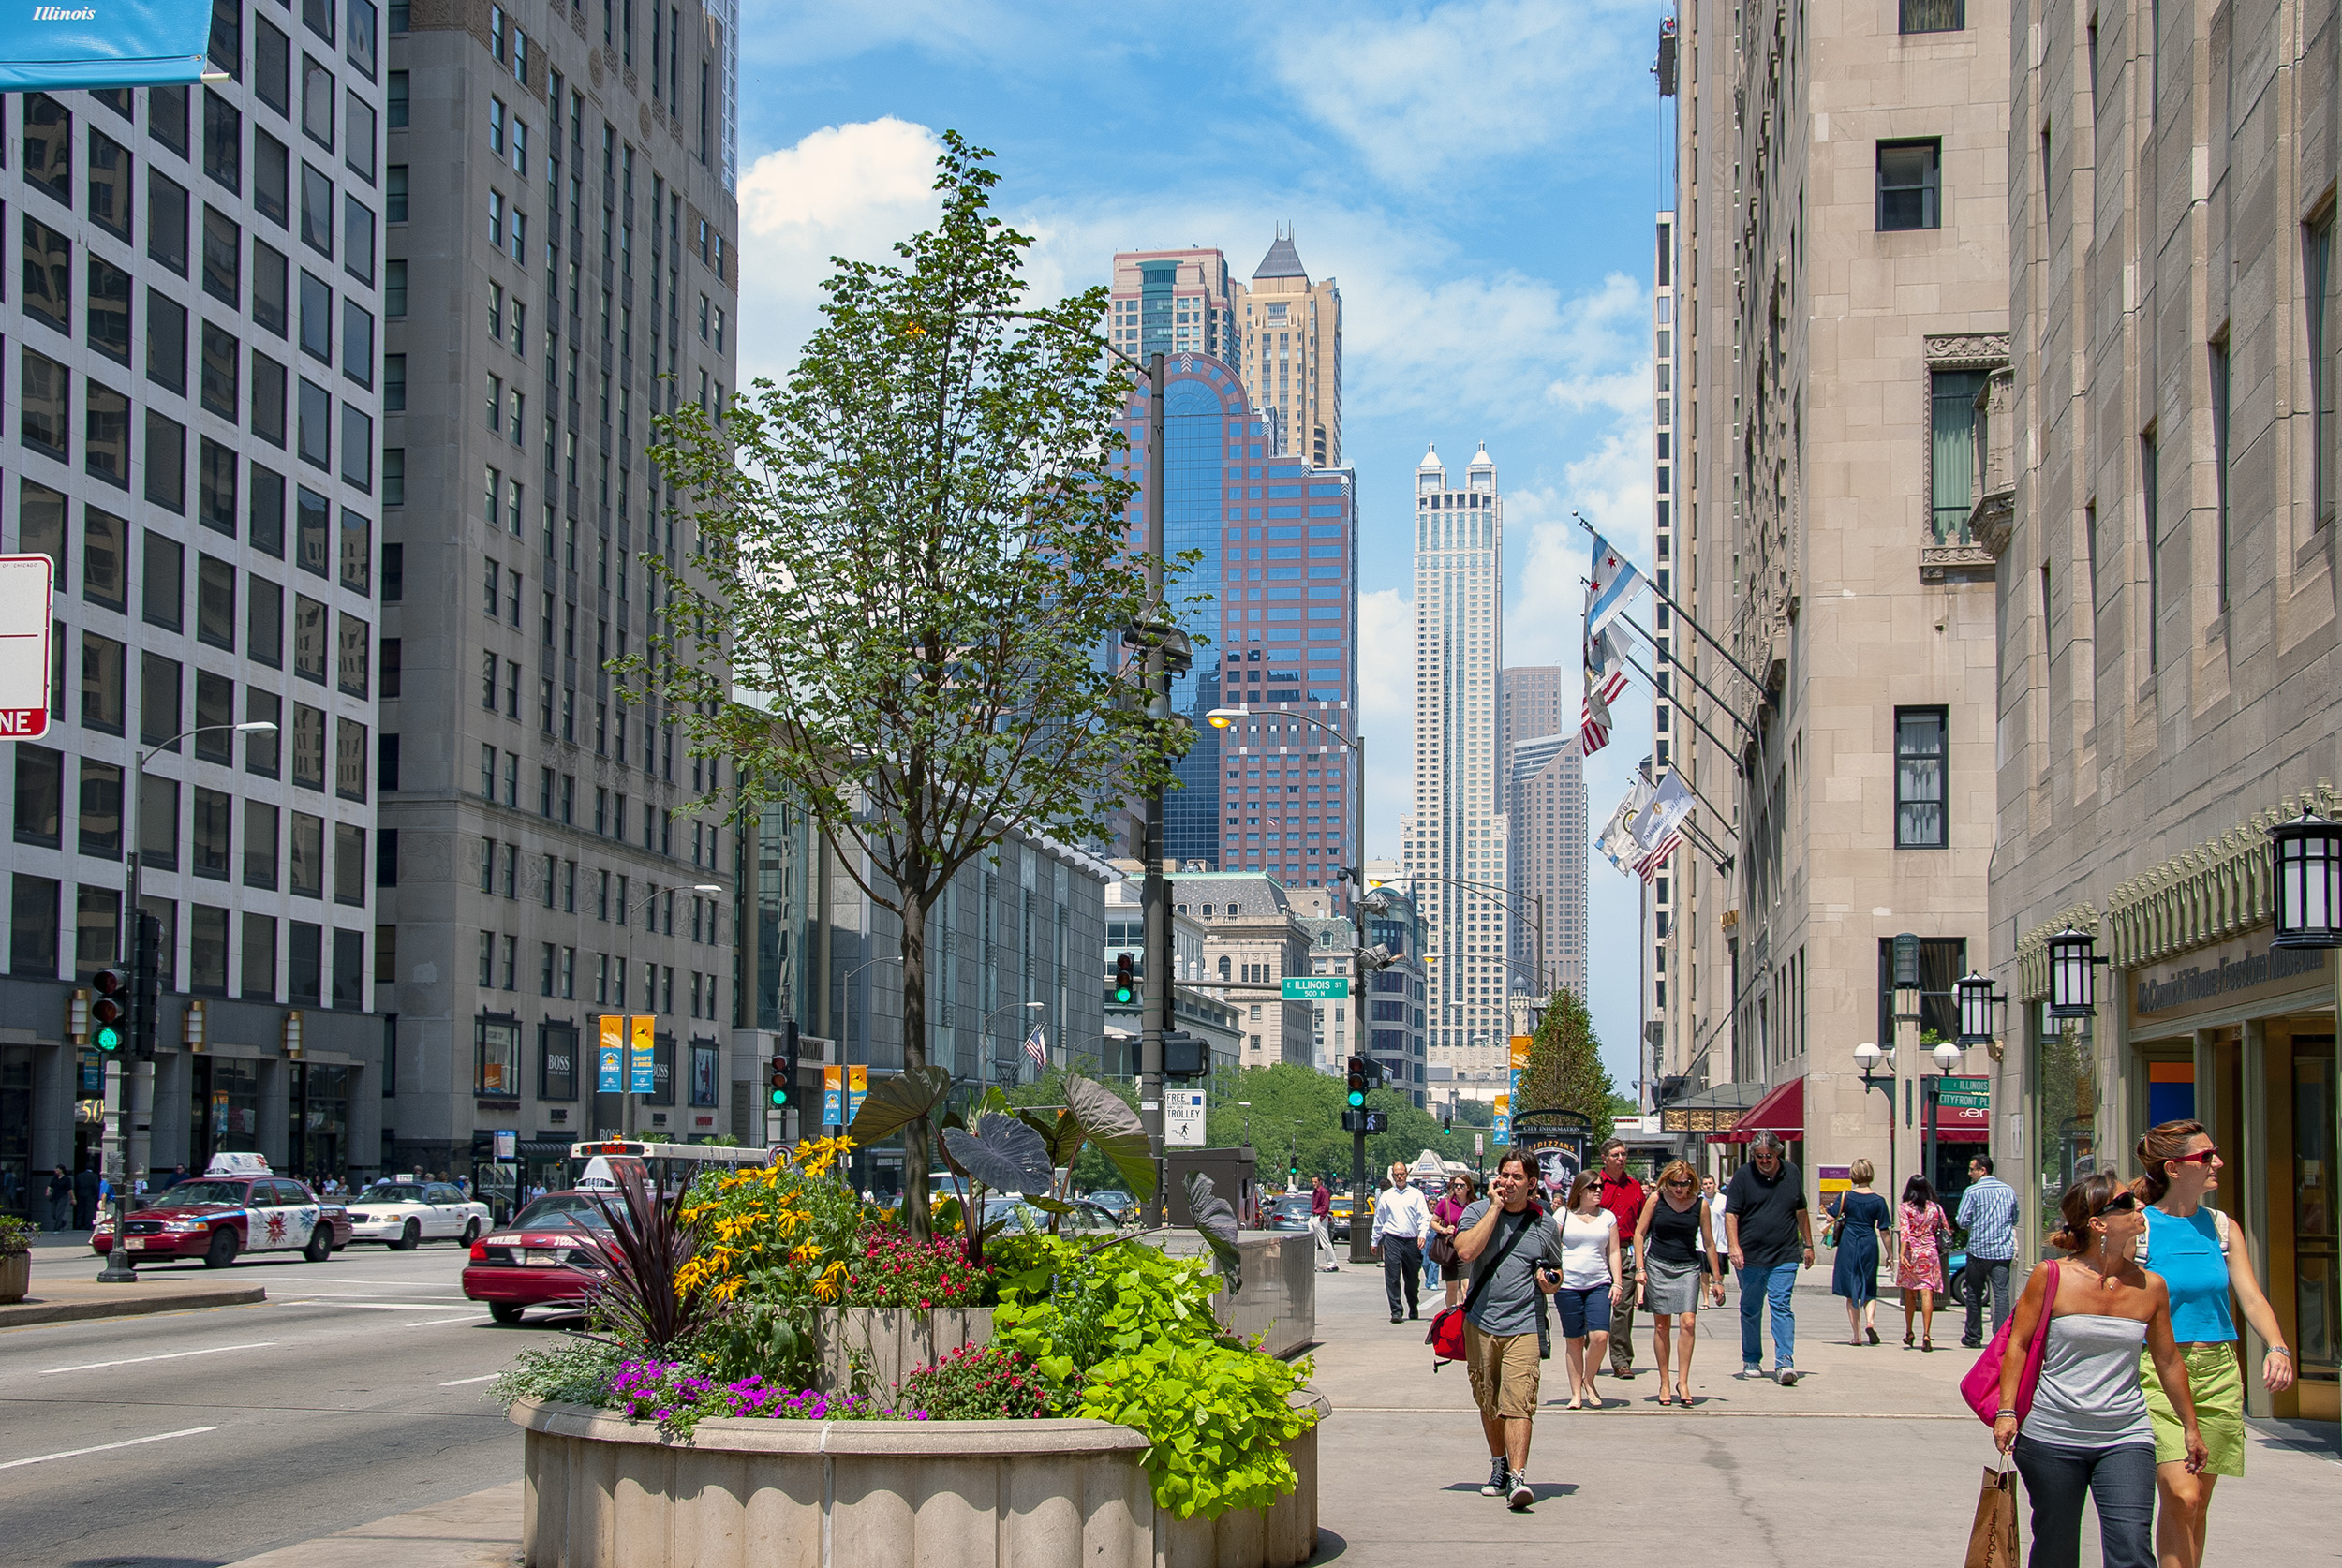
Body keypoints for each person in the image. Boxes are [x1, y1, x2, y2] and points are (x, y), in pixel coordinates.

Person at [1994, 1172, 2205, 1568]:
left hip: (2126, 1434)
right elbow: (2018, 1344)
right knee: (2055, 1550)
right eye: (2126, 1203)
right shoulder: (2051, 1276)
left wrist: (2190, 1427)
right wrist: (2007, 1411)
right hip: (2052, 1436)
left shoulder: (2151, 1286)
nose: (2139, 1207)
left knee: (2132, 1548)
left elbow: (2168, 1360)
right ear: (2097, 1223)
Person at [2130, 1119, 2293, 1568]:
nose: (2217, 1161)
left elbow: (2250, 1295)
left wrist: (2277, 1346)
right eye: (2206, 1156)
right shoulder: (2139, 1228)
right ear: (2174, 1168)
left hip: (2220, 1368)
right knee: (2181, 1495)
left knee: (2198, 1500)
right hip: (2158, 1371)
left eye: (2214, 1153)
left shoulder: (2223, 1228)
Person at [1452, 1150, 1565, 1511]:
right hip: (1481, 1323)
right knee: (1489, 1401)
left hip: (1524, 1324)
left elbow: (1557, 1271)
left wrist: (1549, 1282)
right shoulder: (1476, 1213)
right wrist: (1494, 1210)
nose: (1508, 1183)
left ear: (1532, 1184)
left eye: (1517, 1178)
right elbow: (1466, 1252)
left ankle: (1518, 1476)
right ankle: (1498, 1465)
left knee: (1518, 1404)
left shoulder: (1544, 1223)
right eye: (1504, 1176)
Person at [1723, 1132, 1813, 1384]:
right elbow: (1731, 1215)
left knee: (1781, 1306)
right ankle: (1751, 1358)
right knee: (1751, 1308)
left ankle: (1785, 1361)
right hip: (1750, 1256)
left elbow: (1801, 1210)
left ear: (1778, 1153)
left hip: (1784, 1254)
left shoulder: (1792, 1172)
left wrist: (1808, 1244)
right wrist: (1734, 1247)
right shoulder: (1743, 1176)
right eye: (1759, 1156)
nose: (1764, 1160)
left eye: (1769, 1156)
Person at [1635, 1159, 1726, 1406]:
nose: (1678, 1188)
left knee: (1688, 1322)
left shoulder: (1700, 1205)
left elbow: (1708, 1243)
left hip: (1688, 1267)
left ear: (1691, 1182)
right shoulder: (1656, 1200)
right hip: (1658, 1265)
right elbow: (1639, 1233)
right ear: (1667, 1181)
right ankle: (1664, 1381)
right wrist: (1640, 1269)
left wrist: (1717, 1279)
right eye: (1674, 1183)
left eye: (1684, 1183)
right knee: (1662, 1325)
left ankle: (1682, 1381)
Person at [1554, 1172, 1624, 1410]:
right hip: (1568, 1286)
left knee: (1600, 1337)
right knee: (1574, 1340)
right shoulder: (1563, 1215)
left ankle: (1589, 1380)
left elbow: (1614, 1252)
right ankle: (1576, 1393)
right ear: (1580, 1190)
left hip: (1599, 1283)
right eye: (1592, 1187)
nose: (1598, 1190)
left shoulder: (1608, 1217)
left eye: (1600, 1187)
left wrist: (1617, 1282)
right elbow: (1550, 1247)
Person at [1593, 1139, 1646, 1377]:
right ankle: (1589, 1353)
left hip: (1624, 1251)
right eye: (1615, 1155)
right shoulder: (1594, 1185)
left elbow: (1644, 1223)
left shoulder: (1634, 1187)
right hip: (1598, 1250)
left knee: (1623, 1307)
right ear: (1604, 1158)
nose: (1621, 1159)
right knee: (1594, 1303)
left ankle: (1621, 1360)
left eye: (1623, 1154)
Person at [1957, 1152, 2021, 1347]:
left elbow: (1961, 1220)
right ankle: (2001, 1337)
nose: (1969, 1173)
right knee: (2001, 1293)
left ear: (1982, 1171)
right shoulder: (2008, 1190)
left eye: (1972, 1169)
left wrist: (1976, 1224)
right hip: (2002, 1251)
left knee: (1974, 1293)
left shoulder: (1972, 1192)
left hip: (1978, 1250)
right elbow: (2015, 1217)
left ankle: (1973, 1336)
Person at [1829, 1159, 1891, 1346]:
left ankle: (1856, 1336)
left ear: (1853, 1175)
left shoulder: (1846, 1196)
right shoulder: (1879, 1201)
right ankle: (1870, 1321)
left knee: (1851, 1289)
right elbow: (1885, 1230)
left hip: (1849, 1241)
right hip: (1869, 1242)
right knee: (1869, 1285)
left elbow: (1831, 1215)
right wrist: (1890, 1254)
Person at [1893, 1175, 1950, 1351]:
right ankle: (1927, 1334)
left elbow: (1905, 1232)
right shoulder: (1936, 1209)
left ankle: (1909, 1332)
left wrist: (1902, 1254)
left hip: (1912, 1253)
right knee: (1927, 1294)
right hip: (1930, 1252)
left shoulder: (1905, 1208)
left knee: (1910, 1294)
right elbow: (1946, 1229)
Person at [1371, 1161, 1431, 1323]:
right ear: (1393, 1176)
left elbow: (1424, 1217)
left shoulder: (1416, 1194)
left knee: (1412, 1278)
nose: (1399, 1177)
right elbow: (1379, 1219)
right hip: (1392, 1239)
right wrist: (1375, 1240)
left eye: (1402, 1173)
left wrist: (1423, 1234)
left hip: (1411, 1241)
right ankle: (1396, 1311)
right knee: (1392, 1276)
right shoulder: (1386, 1196)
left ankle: (1413, 1305)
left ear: (1407, 1174)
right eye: (1396, 1174)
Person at [1431, 1174, 1474, 1309]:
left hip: (1466, 1247)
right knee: (1452, 1287)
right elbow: (1433, 1222)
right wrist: (1443, 1230)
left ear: (1468, 1187)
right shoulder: (1446, 1203)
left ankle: (1465, 1317)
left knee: (1466, 1285)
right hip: (1450, 1248)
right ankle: (1450, 1315)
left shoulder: (1474, 1204)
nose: (1458, 1188)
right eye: (1456, 1185)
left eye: (1462, 1185)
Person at [1310, 1176, 1338, 1272]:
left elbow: (1326, 1206)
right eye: (1313, 1182)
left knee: (1325, 1241)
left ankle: (1332, 1263)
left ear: (1320, 1182)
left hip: (1319, 1217)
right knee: (1313, 1243)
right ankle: (1313, 1264)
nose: (1314, 1184)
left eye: (1316, 1182)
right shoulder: (1315, 1192)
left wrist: (1321, 1218)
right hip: (1313, 1216)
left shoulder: (1324, 1191)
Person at [72, 1162, 99, 1230]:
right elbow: (96, 1186)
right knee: (89, 1211)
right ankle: (88, 1225)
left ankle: (78, 1225)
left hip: (80, 1194)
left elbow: (76, 1186)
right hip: (90, 1195)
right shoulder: (94, 1176)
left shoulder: (79, 1175)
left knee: (80, 1210)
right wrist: (96, 1195)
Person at [46, 1165, 72, 1231]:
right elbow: (50, 1185)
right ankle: (62, 1222)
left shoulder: (66, 1179)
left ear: (61, 1170)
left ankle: (57, 1228)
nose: (56, 1170)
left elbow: (70, 1189)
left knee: (59, 1213)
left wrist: (73, 1198)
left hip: (63, 1197)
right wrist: (48, 1191)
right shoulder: (55, 1178)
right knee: (53, 1213)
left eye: (57, 1169)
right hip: (55, 1197)